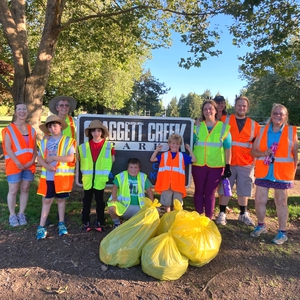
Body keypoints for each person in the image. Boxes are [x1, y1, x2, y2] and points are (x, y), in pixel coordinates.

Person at [250, 104, 298, 245]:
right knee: (259, 200)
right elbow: (253, 152)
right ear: (271, 114)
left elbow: (295, 156)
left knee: (281, 202)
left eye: (281, 114)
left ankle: (282, 233)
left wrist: (291, 174)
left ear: (285, 116)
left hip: (282, 174)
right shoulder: (262, 130)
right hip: (264, 172)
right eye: (275, 113)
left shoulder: (291, 132)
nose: (278, 116)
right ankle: (261, 226)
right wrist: (263, 153)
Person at [216, 96, 260, 226]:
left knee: (244, 190)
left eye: (244, 106)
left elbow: (257, 145)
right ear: (235, 106)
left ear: (247, 108)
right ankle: (222, 213)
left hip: (246, 163)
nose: (241, 108)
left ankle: (243, 214)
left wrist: (255, 163)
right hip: (227, 162)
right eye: (239, 105)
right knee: (225, 189)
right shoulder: (225, 120)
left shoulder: (254, 125)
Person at [36, 115, 76, 240]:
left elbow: (71, 158)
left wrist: (54, 158)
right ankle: (41, 226)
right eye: (50, 126)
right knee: (47, 200)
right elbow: (39, 157)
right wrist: (46, 166)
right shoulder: (44, 142)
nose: (52, 128)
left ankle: (61, 223)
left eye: (55, 126)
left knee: (61, 200)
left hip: (62, 177)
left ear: (60, 127)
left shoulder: (68, 141)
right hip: (48, 177)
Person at [192, 99, 232, 219]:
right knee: (199, 191)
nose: (208, 111)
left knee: (210, 193)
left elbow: (228, 148)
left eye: (210, 109)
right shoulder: (197, 127)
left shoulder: (224, 128)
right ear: (202, 112)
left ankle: (208, 219)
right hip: (198, 164)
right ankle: (198, 217)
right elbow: (191, 143)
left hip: (216, 166)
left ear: (215, 110)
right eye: (205, 109)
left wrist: (228, 166)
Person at [2, 103, 37, 227]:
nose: (22, 111)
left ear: (27, 112)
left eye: (24, 109)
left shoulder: (31, 130)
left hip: (28, 165)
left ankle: (21, 213)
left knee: (25, 189)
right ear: (15, 112)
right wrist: (17, 162)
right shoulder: (9, 129)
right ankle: (12, 215)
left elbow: (34, 148)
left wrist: (32, 160)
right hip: (14, 164)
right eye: (19, 109)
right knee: (13, 190)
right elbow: (8, 148)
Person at [78, 120, 115, 232]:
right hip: (88, 179)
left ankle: (100, 222)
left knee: (100, 202)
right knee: (86, 202)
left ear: (102, 132)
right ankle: (86, 222)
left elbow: (112, 160)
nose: (96, 133)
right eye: (93, 130)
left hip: (100, 180)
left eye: (99, 130)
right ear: (90, 133)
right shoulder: (83, 147)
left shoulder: (109, 146)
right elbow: (79, 160)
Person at [150, 133, 196, 212]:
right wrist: (157, 150)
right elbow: (152, 159)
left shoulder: (182, 156)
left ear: (180, 145)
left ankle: (174, 218)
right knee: (167, 204)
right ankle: (168, 217)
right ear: (169, 144)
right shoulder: (164, 155)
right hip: (166, 184)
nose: (175, 145)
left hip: (178, 184)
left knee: (176, 204)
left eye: (177, 144)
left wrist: (189, 150)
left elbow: (194, 160)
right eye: (173, 143)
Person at [107, 158, 154, 228]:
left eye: (135, 167)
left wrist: (152, 203)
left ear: (139, 168)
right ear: (127, 168)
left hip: (139, 207)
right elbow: (114, 186)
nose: (133, 170)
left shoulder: (142, 176)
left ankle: (141, 226)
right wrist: (114, 198)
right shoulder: (122, 175)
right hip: (124, 206)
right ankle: (117, 224)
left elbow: (149, 190)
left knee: (153, 211)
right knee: (111, 208)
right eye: (131, 167)